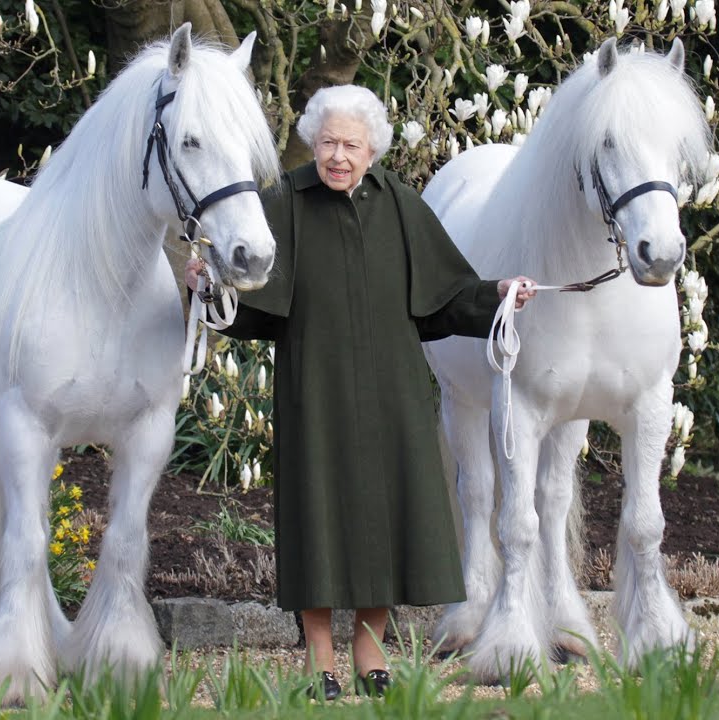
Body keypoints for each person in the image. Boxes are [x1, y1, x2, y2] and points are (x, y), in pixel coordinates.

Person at [184, 84, 536, 700]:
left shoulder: (400, 204)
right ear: (311, 145)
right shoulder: (285, 202)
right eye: (326, 143)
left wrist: (501, 293)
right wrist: (208, 287)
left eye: (350, 144)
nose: (337, 156)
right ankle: (319, 649)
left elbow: (447, 296)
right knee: (317, 515)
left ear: (373, 148)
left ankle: (369, 643)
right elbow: (250, 306)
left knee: (387, 517)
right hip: (312, 390)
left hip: (392, 393)